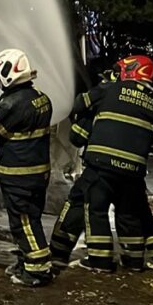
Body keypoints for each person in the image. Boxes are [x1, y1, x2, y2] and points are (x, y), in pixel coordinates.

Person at [69, 54, 153, 272]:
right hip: (134, 172)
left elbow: (78, 104)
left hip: (102, 165)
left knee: (96, 210)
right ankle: (133, 262)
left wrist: (101, 86)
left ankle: (100, 262)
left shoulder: (109, 90)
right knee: (129, 215)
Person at [0, 48, 54, 286]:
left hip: (19, 175)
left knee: (24, 222)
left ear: (9, 76)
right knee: (30, 219)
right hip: (37, 173)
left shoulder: (11, 104)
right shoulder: (41, 97)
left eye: (0, 75)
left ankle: (38, 271)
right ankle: (27, 261)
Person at [50, 64, 121, 267]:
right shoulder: (135, 101)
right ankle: (138, 258)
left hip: (99, 165)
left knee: (89, 206)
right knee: (131, 211)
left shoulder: (103, 96)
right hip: (129, 169)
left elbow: (78, 135)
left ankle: (91, 258)